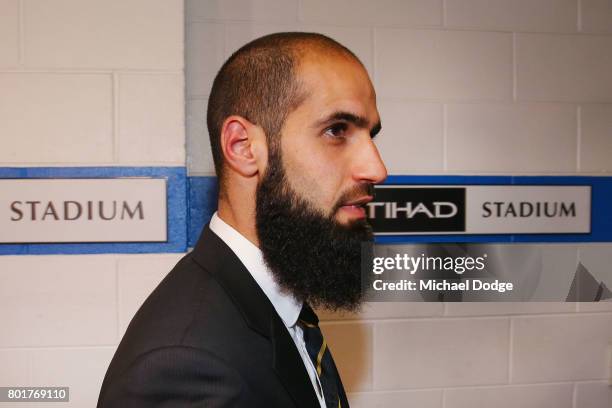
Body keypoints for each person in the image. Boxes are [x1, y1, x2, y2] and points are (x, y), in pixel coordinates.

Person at [97, 32, 387, 408]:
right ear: (243, 147)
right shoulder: (187, 368)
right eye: (336, 131)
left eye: (371, 134)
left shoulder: (280, 307)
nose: (377, 168)